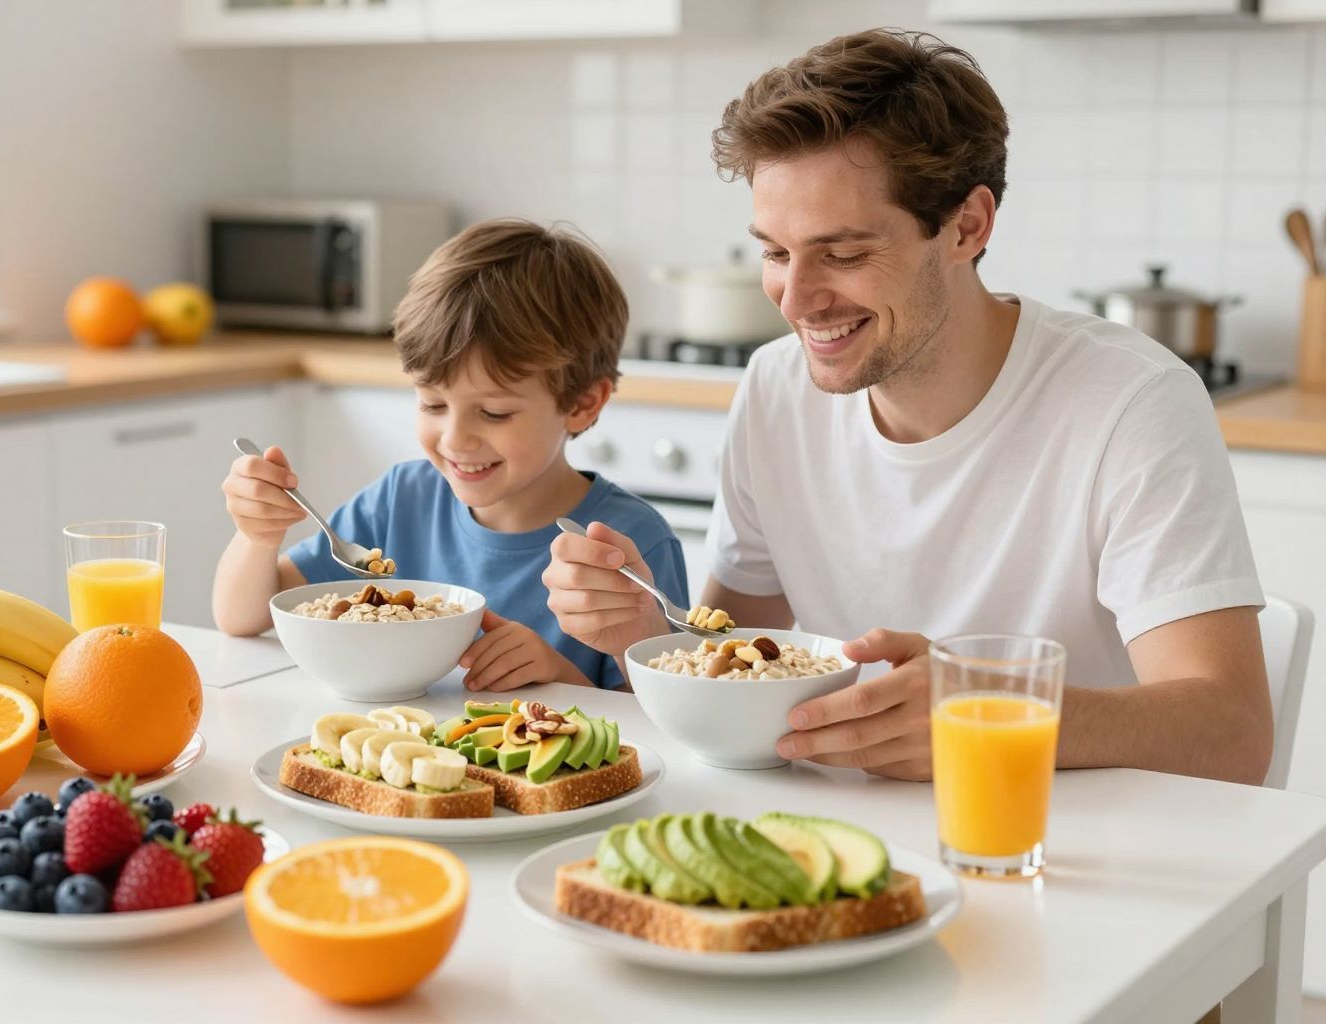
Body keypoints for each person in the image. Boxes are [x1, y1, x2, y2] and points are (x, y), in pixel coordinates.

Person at [542, 29, 1273, 783]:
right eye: (774, 252)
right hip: (843, 839)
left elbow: (1233, 731)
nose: (796, 299)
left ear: (966, 226)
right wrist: (647, 634)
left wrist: (984, 711)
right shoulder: (775, 389)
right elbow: (736, 665)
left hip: (1067, 851)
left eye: (845, 254)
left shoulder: (1130, 403)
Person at [212, 218, 689, 692]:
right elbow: (241, 617)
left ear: (582, 404)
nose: (456, 439)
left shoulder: (630, 546)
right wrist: (257, 537)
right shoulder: (401, 499)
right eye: (433, 404)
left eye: (495, 412)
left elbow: (666, 718)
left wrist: (561, 677)